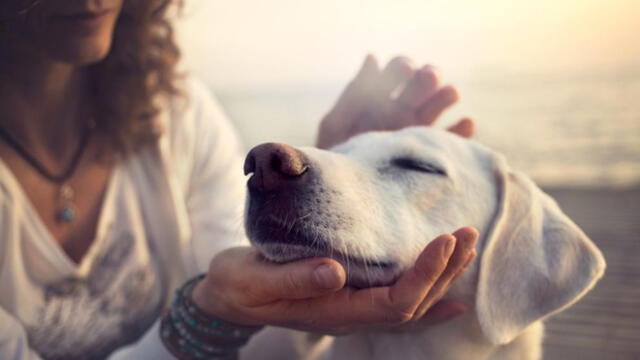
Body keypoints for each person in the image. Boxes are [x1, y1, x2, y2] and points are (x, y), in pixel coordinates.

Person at [0, 0, 478, 359]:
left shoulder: (172, 112)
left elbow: (262, 344)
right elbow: (227, 308)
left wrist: (339, 184)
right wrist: (204, 315)